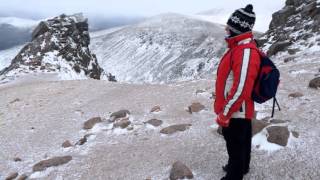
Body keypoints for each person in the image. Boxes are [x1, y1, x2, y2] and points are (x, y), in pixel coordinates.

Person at [214, 4, 260, 180]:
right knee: (241, 141)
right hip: (238, 109)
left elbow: (241, 88)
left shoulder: (245, 51)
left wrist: (225, 113)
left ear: (237, 28)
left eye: (229, 26)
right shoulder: (238, 47)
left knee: (234, 143)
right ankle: (241, 167)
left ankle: (234, 175)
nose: (226, 29)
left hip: (236, 110)